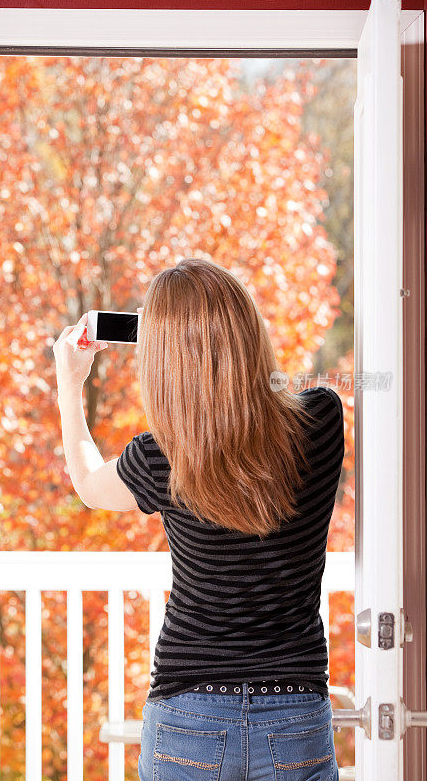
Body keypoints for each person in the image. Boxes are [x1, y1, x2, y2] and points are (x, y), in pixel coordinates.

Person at [53, 257, 344, 780]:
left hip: (189, 713)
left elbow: (89, 486)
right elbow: (272, 393)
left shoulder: (159, 457)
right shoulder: (320, 422)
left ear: (164, 359)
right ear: (249, 331)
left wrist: (70, 385)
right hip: (294, 710)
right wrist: (216, 346)